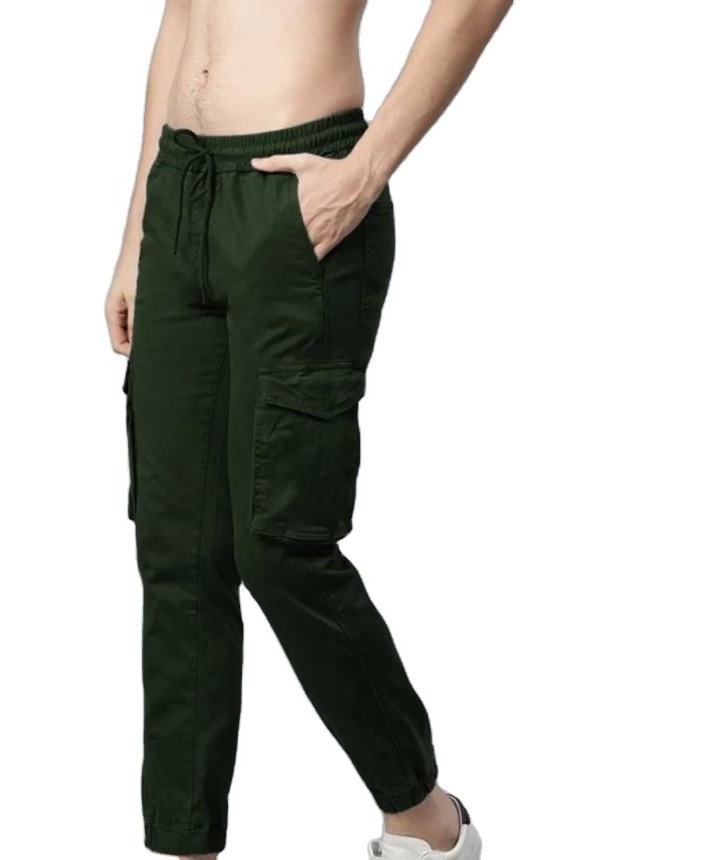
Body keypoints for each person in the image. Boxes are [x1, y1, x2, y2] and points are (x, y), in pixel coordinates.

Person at [104, 1, 512, 857]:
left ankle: (424, 818)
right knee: (178, 550)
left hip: (300, 190)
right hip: (181, 191)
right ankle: (184, 844)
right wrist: (139, 228)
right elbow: (183, 15)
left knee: (278, 543)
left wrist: (365, 171)